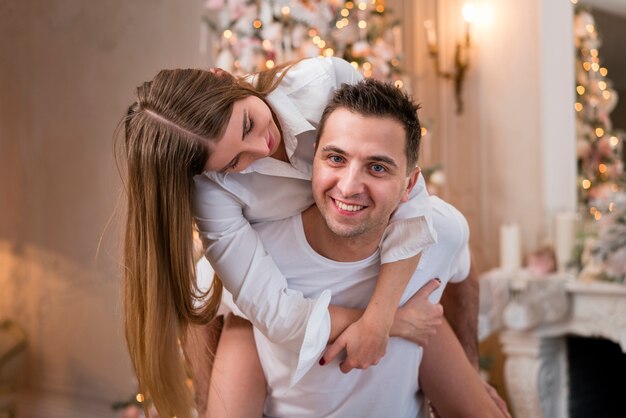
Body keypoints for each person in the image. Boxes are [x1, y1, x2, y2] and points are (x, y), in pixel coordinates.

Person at [121, 57, 444, 418]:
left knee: (451, 239)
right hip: (263, 273)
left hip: (350, 240)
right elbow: (278, 315)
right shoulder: (209, 191)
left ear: (225, 77)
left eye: (247, 124)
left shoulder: (324, 81)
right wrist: (396, 323)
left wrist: (379, 320)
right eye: (234, 163)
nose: (259, 148)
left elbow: (411, 201)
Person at [206, 79, 507, 417]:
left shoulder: (441, 231)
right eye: (335, 158)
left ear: (409, 184)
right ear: (313, 159)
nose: (349, 187)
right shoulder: (258, 257)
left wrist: (469, 369)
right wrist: (392, 321)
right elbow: (196, 310)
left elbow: (461, 273)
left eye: (377, 167)